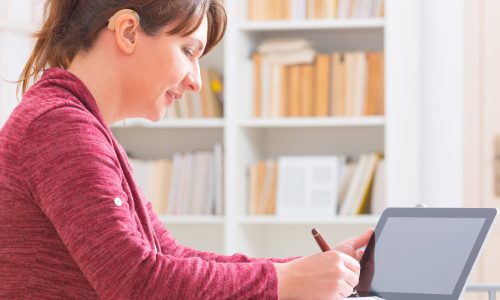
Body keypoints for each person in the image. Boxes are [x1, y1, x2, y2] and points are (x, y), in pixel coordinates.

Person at [0, 1, 373, 299]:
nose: (195, 81)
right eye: (188, 51)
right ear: (128, 31)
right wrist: (285, 281)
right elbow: (138, 282)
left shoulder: (77, 125)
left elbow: (169, 257)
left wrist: (314, 270)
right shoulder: (59, 127)